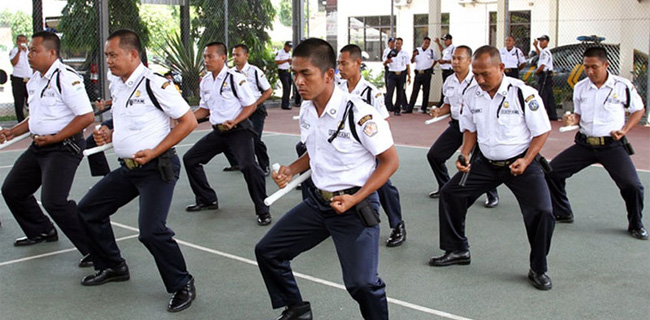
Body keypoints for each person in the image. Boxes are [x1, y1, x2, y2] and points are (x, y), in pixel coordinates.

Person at [255, 38, 399, 320]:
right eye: (295, 73)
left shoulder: (360, 113)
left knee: (362, 284)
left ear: (329, 75)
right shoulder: (308, 109)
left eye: (305, 73)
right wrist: (291, 170)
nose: (298, 81)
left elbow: (389, 162)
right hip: (319, 203)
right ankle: (297, 310)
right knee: (268, 251)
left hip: (356, 205)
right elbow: (316, 150)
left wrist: (356, 198)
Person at [77, 29, 197, 312]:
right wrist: (109, 132)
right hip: (129, 168)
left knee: (151, 231)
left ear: (133, 54)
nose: (108, 60)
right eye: (107, 55)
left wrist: (154, 151)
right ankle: (114, 265)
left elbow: (188, 121)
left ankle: (182, 283)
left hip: (157, 167)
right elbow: (129, 122)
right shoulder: (119, 85)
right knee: (88, 210)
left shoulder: (156, 84)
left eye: (113, 55)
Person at [428, 46, 555, 291]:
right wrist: (464, 153)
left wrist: (527, 160)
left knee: (542, 211)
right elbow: (469, 128)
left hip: (520, 162)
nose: (480, 79)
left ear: (501, 68)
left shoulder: (523, 93)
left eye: (485, 74)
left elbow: (542, 131)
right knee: (450, 193)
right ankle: (457, 250)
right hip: (485, 162)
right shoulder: (472, 94)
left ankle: (538, 268)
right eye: (476, 74)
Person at [0, 31, 94, 268]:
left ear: (52, 53)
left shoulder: (66, 78)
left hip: (63, 147)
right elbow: (37, 117)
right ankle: (41, 230)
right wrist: (14, 131)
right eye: (29, 50)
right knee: (13, 189)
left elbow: (86, 117)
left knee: (55, 201)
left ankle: (95, 249)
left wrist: (55, 137)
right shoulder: (36, 79)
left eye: (34, 50)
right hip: (41, 145)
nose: (29, 55)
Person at [546, 47, 647, 240]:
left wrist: (624, 130)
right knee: (552, 172)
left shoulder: (622, 85)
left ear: (606, 65)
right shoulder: (581, 87)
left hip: (612, 146)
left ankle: (636, 224)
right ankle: (563, 212)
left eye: (594, 67)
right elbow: (578, 115)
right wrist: (572, 120)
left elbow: (638, 110)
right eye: (586, 67)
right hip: (585, 145)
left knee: (632, 186)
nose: (590, 72)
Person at [182, 41, 271, 225]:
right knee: (190, 159)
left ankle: (263, 209)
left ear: (222, 58)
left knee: (248, 166)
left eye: (210, 56)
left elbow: (251, 104)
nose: (206, 60)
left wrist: (235, 121)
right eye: (205, 56)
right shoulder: (206, 81)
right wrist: (185, 118)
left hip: (239, 131)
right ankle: (207, 199)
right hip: (219, 132)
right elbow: (204, 110)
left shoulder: (235, 78)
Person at [338, 43, 406, 247]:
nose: (340, 68)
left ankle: (397, 225)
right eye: (338, 63)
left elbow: (384, 123)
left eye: (344, 63)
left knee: (383, 184)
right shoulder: (337, 89)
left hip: (369, 148)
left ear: (358, 63)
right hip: (345, 147)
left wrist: (377, 152)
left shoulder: (371, 93)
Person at [426, 45, 499, 208]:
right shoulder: (449, 81)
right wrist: (438, 111)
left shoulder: (478, 80)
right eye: (454, 58)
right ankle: (444, 187)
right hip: (457, 125)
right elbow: (447, 104)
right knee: (435, 156)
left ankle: (491, 194)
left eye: (460, 59)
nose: (455, 62)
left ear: (469, 61)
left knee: (482, 161)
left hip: (478, 127)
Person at [222, 44, 273, 175]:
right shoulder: (230, 73)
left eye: (238, 55)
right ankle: (236, 163)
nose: (235, 57)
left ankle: (264, 166)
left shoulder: (255, 71)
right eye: (233, 55)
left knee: (255, 139)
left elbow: (268, 91)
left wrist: (255, 104)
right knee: (226, 136)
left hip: (255, 110)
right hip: (238, 110)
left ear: (246, 56)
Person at [407, 36, 438, 113]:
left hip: (426, 73)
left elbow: (436, 60)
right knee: (415, 91)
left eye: (428, 43)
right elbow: (412, 61)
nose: (426, 44)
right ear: (423, 42)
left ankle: (423, 108)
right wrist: (414, 55)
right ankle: (410, 108)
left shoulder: (431, 52)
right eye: (425, 42)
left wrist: (431, 67)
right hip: (418, 73)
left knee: (426, 91)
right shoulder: (417, 50)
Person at [383, 37, 410, 116]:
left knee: (400, 92)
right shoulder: (390, 52)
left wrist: (409, 76)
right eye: (396, 43)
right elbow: (384, 63)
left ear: (402, 44)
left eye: (399, 43)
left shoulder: (404, 53)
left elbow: (407, 64)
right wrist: (387, 61)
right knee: (390, 92)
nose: (397, 45)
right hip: (392, 74)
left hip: (401, 74)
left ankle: (397, 109)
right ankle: (387, 107)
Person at [533, 35, 558, 120]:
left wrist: (536, 72)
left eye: (542, 41)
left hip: (544, 75)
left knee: (543, 95)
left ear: (547, 42)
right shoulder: (545, 51)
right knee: (549, 96)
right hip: (547, 75)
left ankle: (542, 114)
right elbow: (541, 56)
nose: (540, 43)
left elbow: (542, 65)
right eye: (540, 41)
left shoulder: (545, 52)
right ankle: (552, 115)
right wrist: (536, 47)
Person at [9, 34, 32, 122]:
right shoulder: (14, 51)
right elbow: (13, 63)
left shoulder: (29, 51)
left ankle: (31, 119)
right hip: (18, 79)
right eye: (20, 41)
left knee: (31, 100)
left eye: (24, 41)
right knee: (19, 102)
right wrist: (19, 51)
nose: (22, 43)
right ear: (17, 42)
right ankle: (20, 121)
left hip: (29, 79)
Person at [276, 41, 293, 110]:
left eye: (290, 47)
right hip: (282, 71)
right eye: (288, 47)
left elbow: (288, 62)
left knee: (289, 87)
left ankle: (287, 103)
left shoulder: (289, 53)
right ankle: (284, 104)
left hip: (288, 71)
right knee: (286, 87)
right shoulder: (280, 52)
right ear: (285, 46)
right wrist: (286, 60)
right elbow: (277, 61)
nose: (289, 48)